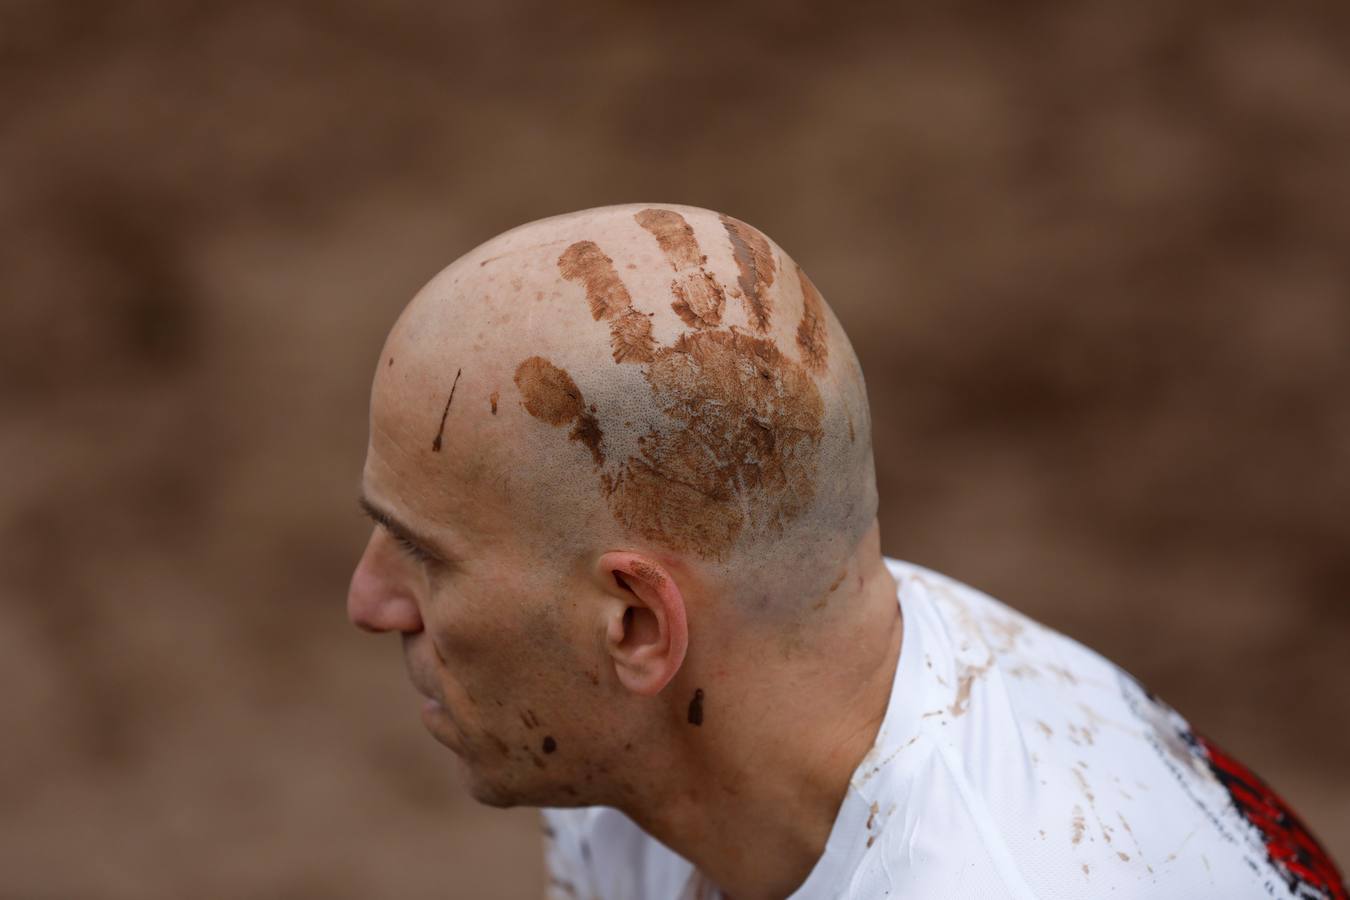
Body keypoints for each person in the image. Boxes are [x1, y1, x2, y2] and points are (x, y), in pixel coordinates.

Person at [346, 204, 1345, 900]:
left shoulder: (1001, 874)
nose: (370, 599)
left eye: (423, 555)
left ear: (638, 625)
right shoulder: (627, 761)